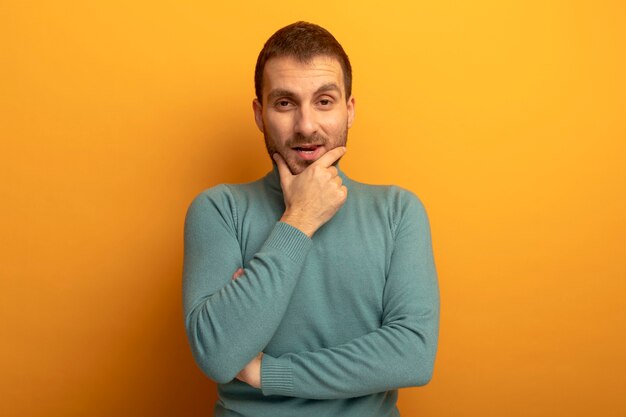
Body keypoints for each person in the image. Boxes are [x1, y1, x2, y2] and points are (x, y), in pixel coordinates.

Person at [183, 21, 439, 417]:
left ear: (349, 110)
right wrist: (299, 220)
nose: (306, 126)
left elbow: (412, 355)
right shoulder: (220, 210)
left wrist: (270, 373)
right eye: (285, 103)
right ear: (259, 113)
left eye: (324, 101)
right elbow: (218, 355)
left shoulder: (398, 211)